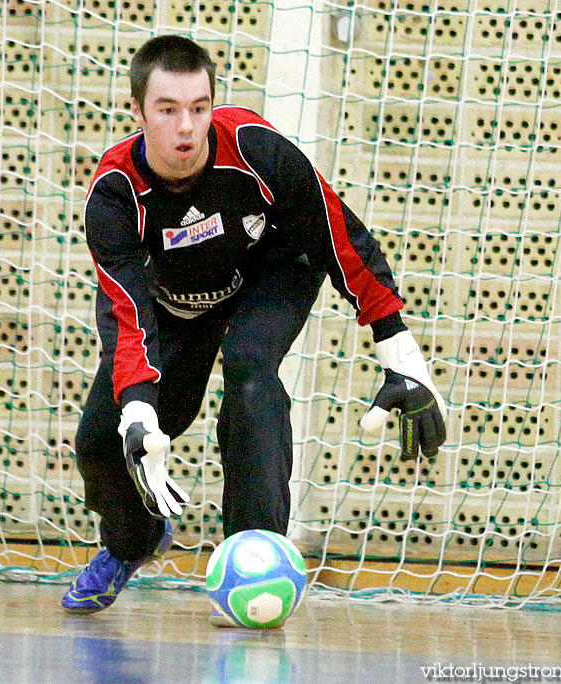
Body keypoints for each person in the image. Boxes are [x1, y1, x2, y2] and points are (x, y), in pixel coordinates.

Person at [61, 35, 447, 620]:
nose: (186, 127)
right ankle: (133, 542)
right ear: (136, 112)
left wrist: (399, 349)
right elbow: (127, 310)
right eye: (167, 110)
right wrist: (139, 410)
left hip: (270, 277)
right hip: (176, 308)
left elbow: (341, 237)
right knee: (100, 443)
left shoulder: (257, 150)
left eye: (199, 107)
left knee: (250, 372)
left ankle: (257, 553)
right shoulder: (114, 194)